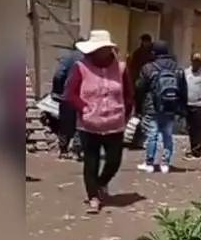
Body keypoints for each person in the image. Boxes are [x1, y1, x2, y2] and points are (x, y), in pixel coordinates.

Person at [63, 30, 133, 214]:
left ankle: (101, 184)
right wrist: (84, 108)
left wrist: (125, 114)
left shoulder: (121, 68)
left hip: (115, 124)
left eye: (104, 49)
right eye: (98, 49)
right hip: (88, 125)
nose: (101, 53)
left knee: (114, 161)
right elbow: (69, 94)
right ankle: (93, 196)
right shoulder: (80, 67)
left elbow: (128, 95)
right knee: (91, 162)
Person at [135, 41, 187, 174]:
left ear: (154, 53)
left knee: (152, 135)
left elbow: (139, 88)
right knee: (168, 135)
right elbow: (183, 90)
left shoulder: (148, 68)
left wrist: (138, 107)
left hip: (152, 107)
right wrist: (181, 108)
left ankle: (149, 163)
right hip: (170, 107)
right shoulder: (177, 68)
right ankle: (165, 164)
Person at [51, 40, 83, 159]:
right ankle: (76, 150)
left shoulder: (68, 57)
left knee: (65, 122)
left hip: (68, 95)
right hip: (83, 95)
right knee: (80, 122)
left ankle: (63, 150)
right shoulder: (89, 59)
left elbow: (59, 74)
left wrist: (57, 91)